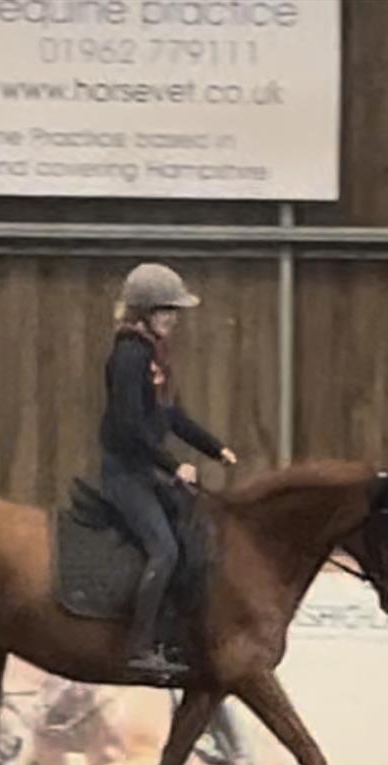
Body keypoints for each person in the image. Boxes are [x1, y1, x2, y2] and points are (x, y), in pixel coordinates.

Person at [99, 263, 237, 678]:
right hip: (125, 475)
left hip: (146, 471)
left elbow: (170, 416)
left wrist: (214, 447)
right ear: (144, 312)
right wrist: (174, 465)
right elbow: (129, 426)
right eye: (166, 310)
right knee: (165, 549)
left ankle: (179, 632)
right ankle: (140, 646)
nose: (173, 319)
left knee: (195, 535)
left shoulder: (153, 355)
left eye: (174, 311)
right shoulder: (129, 356)